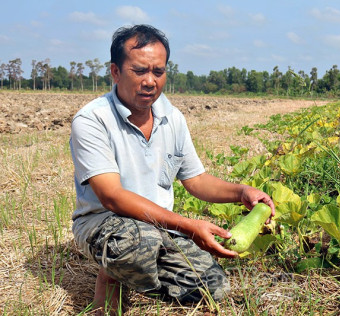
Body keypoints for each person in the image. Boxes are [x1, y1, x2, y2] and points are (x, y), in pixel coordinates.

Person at [70, 24, 274, 314]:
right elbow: (111, 196)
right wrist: (189, 227)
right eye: (139, 71)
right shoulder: (92, 120)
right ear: (115, 71)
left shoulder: (172, 118)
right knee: (139, 242)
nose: (150, 81)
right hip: (105, 223)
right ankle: (111, 276)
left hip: (159, 225)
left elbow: (197, 180)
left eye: (158, 71)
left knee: (213, 285)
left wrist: (242, 192)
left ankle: (138, 270)